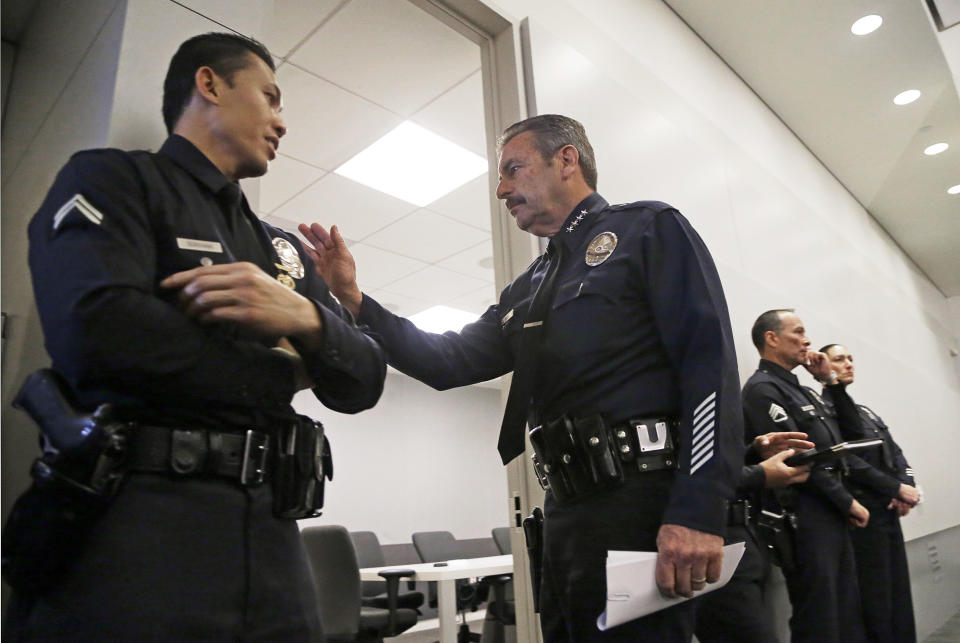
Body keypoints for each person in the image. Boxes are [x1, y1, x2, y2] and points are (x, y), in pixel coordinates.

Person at [302, 114, 742, 641]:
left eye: (514, 169)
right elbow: (448, 361)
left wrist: (698, 509)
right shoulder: (527, 288)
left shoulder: (646, 229)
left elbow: (708, 366)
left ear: (567, 160)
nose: (502, 189)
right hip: (565, 513)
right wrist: (354, 300)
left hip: (641, 504)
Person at [8, 32, 386, 641]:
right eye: (270, 97)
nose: (282, 123)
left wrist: (306, 320)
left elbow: (364, 379)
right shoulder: (115, 181)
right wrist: (285, 369)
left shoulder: (279, 251)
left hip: (272, 537)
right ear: (209, 85)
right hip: (142, 529)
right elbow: (97, 332)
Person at [740, 310, 918, 643]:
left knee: (847, 612)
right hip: (804, 516)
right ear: (771, 338)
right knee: (820, 616)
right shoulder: (761, 390)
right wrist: (848, 501)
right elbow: (798, 460)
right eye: (798, 332)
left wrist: (829, 382)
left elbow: (849, 438)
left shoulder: (803, 391)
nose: (807, 340)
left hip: (830, 513)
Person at [821, 343, 919, 643]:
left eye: (850, 358)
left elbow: (895, 452)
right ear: (825, 368)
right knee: (874, 599)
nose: (848, 364)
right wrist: (893, 487)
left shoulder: (863, 411)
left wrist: (906, 486)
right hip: (863, 514)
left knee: (898, 594)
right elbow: (847, 459)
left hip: (889, 509)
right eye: (839, 359)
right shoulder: (826, 413)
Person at [694, 430, 814, 643]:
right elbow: (686, 475)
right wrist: (758, 474)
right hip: (703, 542)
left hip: (738, 541)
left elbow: (716, 462)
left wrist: (752, 453)